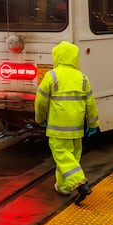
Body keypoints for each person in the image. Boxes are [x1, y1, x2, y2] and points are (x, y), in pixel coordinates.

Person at [35, 41, 100, 204]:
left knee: (63, 158)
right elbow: (91, 104)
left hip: (57, 129)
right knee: (71, 159)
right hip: (77, 130)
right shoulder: (82, 78)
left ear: (56, 57)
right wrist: (93, 124)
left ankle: (80, 183)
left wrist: (39, 119)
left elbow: (40, 101)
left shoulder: (52, 76)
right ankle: (63, 187)